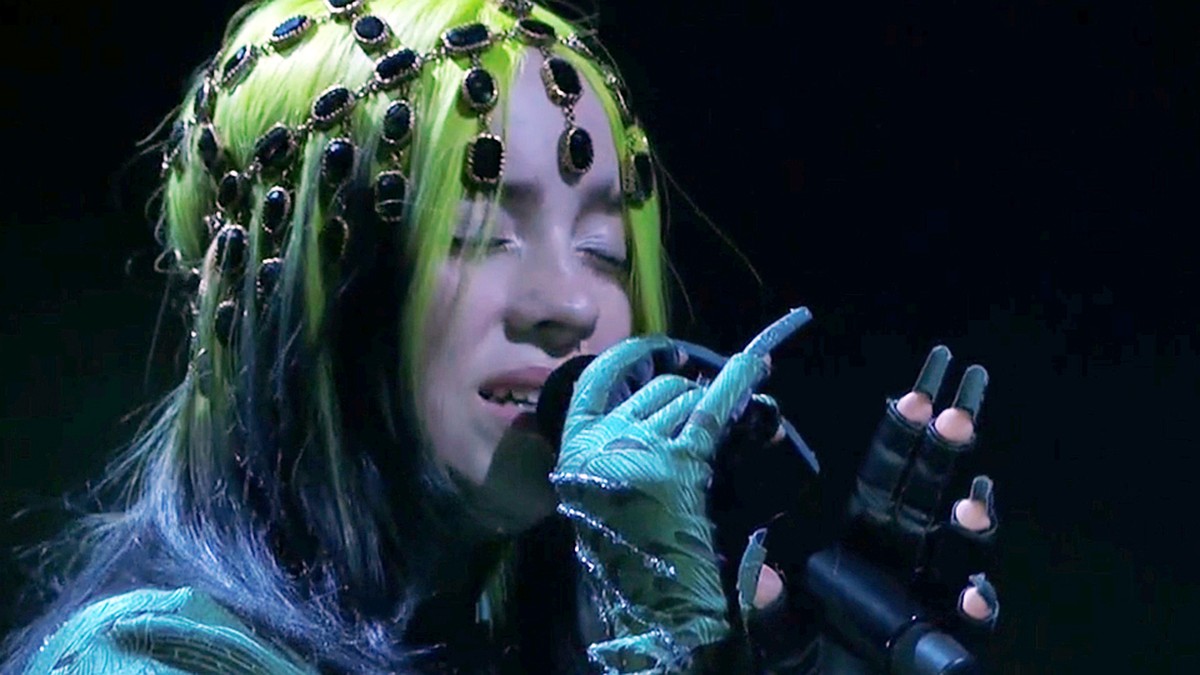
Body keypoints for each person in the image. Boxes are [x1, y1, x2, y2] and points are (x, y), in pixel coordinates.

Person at [2, 0, 1000, 672]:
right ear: (289, 296)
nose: (570, 303)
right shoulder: (139, 661)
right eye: (481, 233)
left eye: (605, 251)